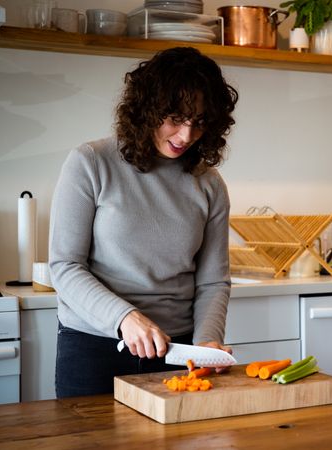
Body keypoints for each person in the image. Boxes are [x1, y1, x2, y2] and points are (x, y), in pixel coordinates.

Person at [49, 47, 239, 398]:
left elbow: (213, 281)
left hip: (178, 353)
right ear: (147, 109)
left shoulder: (209, 184)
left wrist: (207, 341)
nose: (186, 135)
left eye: (199, 122)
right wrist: (125, 318)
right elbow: (65, 266)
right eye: (176, 118)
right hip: (96, 345)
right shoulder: (90, 162)